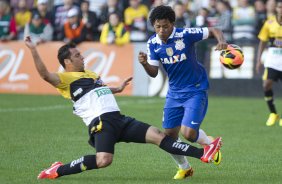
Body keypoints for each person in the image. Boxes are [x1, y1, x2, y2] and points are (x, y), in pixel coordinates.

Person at [24, 36, 222, 180]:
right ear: (67, 62)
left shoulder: (90, 74)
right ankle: (58, 170)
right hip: (101, 123)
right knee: (104, 161)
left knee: (160, 136)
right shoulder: (64, 80)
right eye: (77, 55)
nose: (82, 57)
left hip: (119, 119)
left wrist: (116, 89)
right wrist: (33, 49)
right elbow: (44, 75)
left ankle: (203, 153)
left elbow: (97, 90)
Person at [138, 5, 227, 180]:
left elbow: (214, 30)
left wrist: (221, 41)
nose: (161, 30)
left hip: (195, 89)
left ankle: (209, 143)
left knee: (188, 134)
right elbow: (154, 72)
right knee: (169, 136)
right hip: (174, 93)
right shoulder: (152, 43)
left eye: (165, 26)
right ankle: (184, 167)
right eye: (157, 27)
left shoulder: (185, 34)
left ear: (172, 24)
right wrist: (144, 63)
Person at [256, 0, 282, 126]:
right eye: (280, 7)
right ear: (276, 9)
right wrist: (258, 60)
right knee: (266, 84)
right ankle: (273, 113)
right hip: (273, 59)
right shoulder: (270, 22)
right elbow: (262, 42)